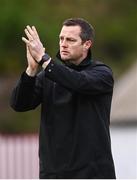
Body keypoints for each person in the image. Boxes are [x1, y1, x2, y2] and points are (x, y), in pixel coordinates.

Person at [10, 18, 116, 179]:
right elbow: (19, 104)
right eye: (61, 39)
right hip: (54, 174)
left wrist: (45, 60)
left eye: (70, 40)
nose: (63, 44)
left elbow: (78, 82)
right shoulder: (48, 75)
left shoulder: (102, 73)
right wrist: (31, 70)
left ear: (87, 44)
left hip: (93, 173)